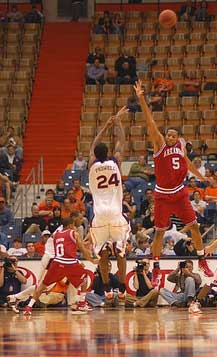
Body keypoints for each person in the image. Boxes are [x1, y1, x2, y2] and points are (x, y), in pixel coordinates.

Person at [134, 80, 213, 280]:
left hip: (179, 192)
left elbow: (187, 163)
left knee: (194, 226)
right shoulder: (160, 144)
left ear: (177, 137)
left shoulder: (181, 146)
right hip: (162, 194)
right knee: (160, 232)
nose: (170, 137)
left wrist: (202, 177)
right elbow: (150, 122)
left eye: (173, 135)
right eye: (168, 134)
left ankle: (202, 259)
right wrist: (142, 99)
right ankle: (156, 267)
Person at [88, 107, 129, 301]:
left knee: (103, 253)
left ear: (96, 154)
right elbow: (122, 142)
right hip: (115, 213)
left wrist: (105, 125)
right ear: (109, 153)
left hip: (99, 215)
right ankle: (121, 286)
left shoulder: (92, 165)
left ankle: (106, 288)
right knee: (120, 252)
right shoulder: (116, 162)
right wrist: (118, 122)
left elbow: (94, 143)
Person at [23, 217, 96, 316]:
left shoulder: (56, 235)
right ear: (70, 225)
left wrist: (84, 243)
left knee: (42, 286)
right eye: (74, 225)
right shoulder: (74, 233)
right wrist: (92, 260)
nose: (75, 227)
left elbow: (69, 245)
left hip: (57, 262)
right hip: (70, 263)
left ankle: (29, 307)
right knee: (85, 279)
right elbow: (82, 249)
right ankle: (82, 303)